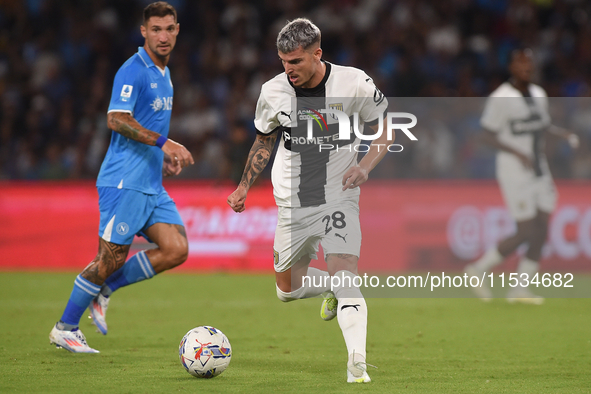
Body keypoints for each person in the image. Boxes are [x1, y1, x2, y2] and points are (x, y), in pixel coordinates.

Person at [227, 18, 392, 383]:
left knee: (346, 272)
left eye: (296, 61)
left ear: (317, 54)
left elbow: (384, 127)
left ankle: (357, 364)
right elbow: (264, 140)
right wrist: (243, 187)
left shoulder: (354, 83)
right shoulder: (272, 91)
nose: (289, 70)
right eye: (284, 61)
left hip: (339, 195)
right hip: (292, 200)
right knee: (287, 290)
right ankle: (332, 286)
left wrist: (365, 166)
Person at [49, 1, 194, 353]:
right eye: (155, 29)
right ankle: (65, 327)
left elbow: (145, 122)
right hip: (123, 181)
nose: (163, 36)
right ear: (143, 31)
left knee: (176, 249)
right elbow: (117, 119)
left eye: (168, 29)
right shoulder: (134, 70)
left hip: (150, 181)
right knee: (109, 259)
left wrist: (160, 160)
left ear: (177, 30)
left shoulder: (164, 72)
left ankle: (107, 289)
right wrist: (165, 142)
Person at [465, 48, 579, 304]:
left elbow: (542, 126)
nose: (526, 66)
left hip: (539, 167)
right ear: (511, 67)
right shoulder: (501, 97)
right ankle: (477, 270)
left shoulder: (539, 94)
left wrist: (563, 134)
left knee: (542, 229)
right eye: (520, 62)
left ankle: (520, 289)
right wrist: (516, 152)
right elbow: (485, 134)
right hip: (514, 169)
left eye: (530, 61)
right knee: (527, 229)